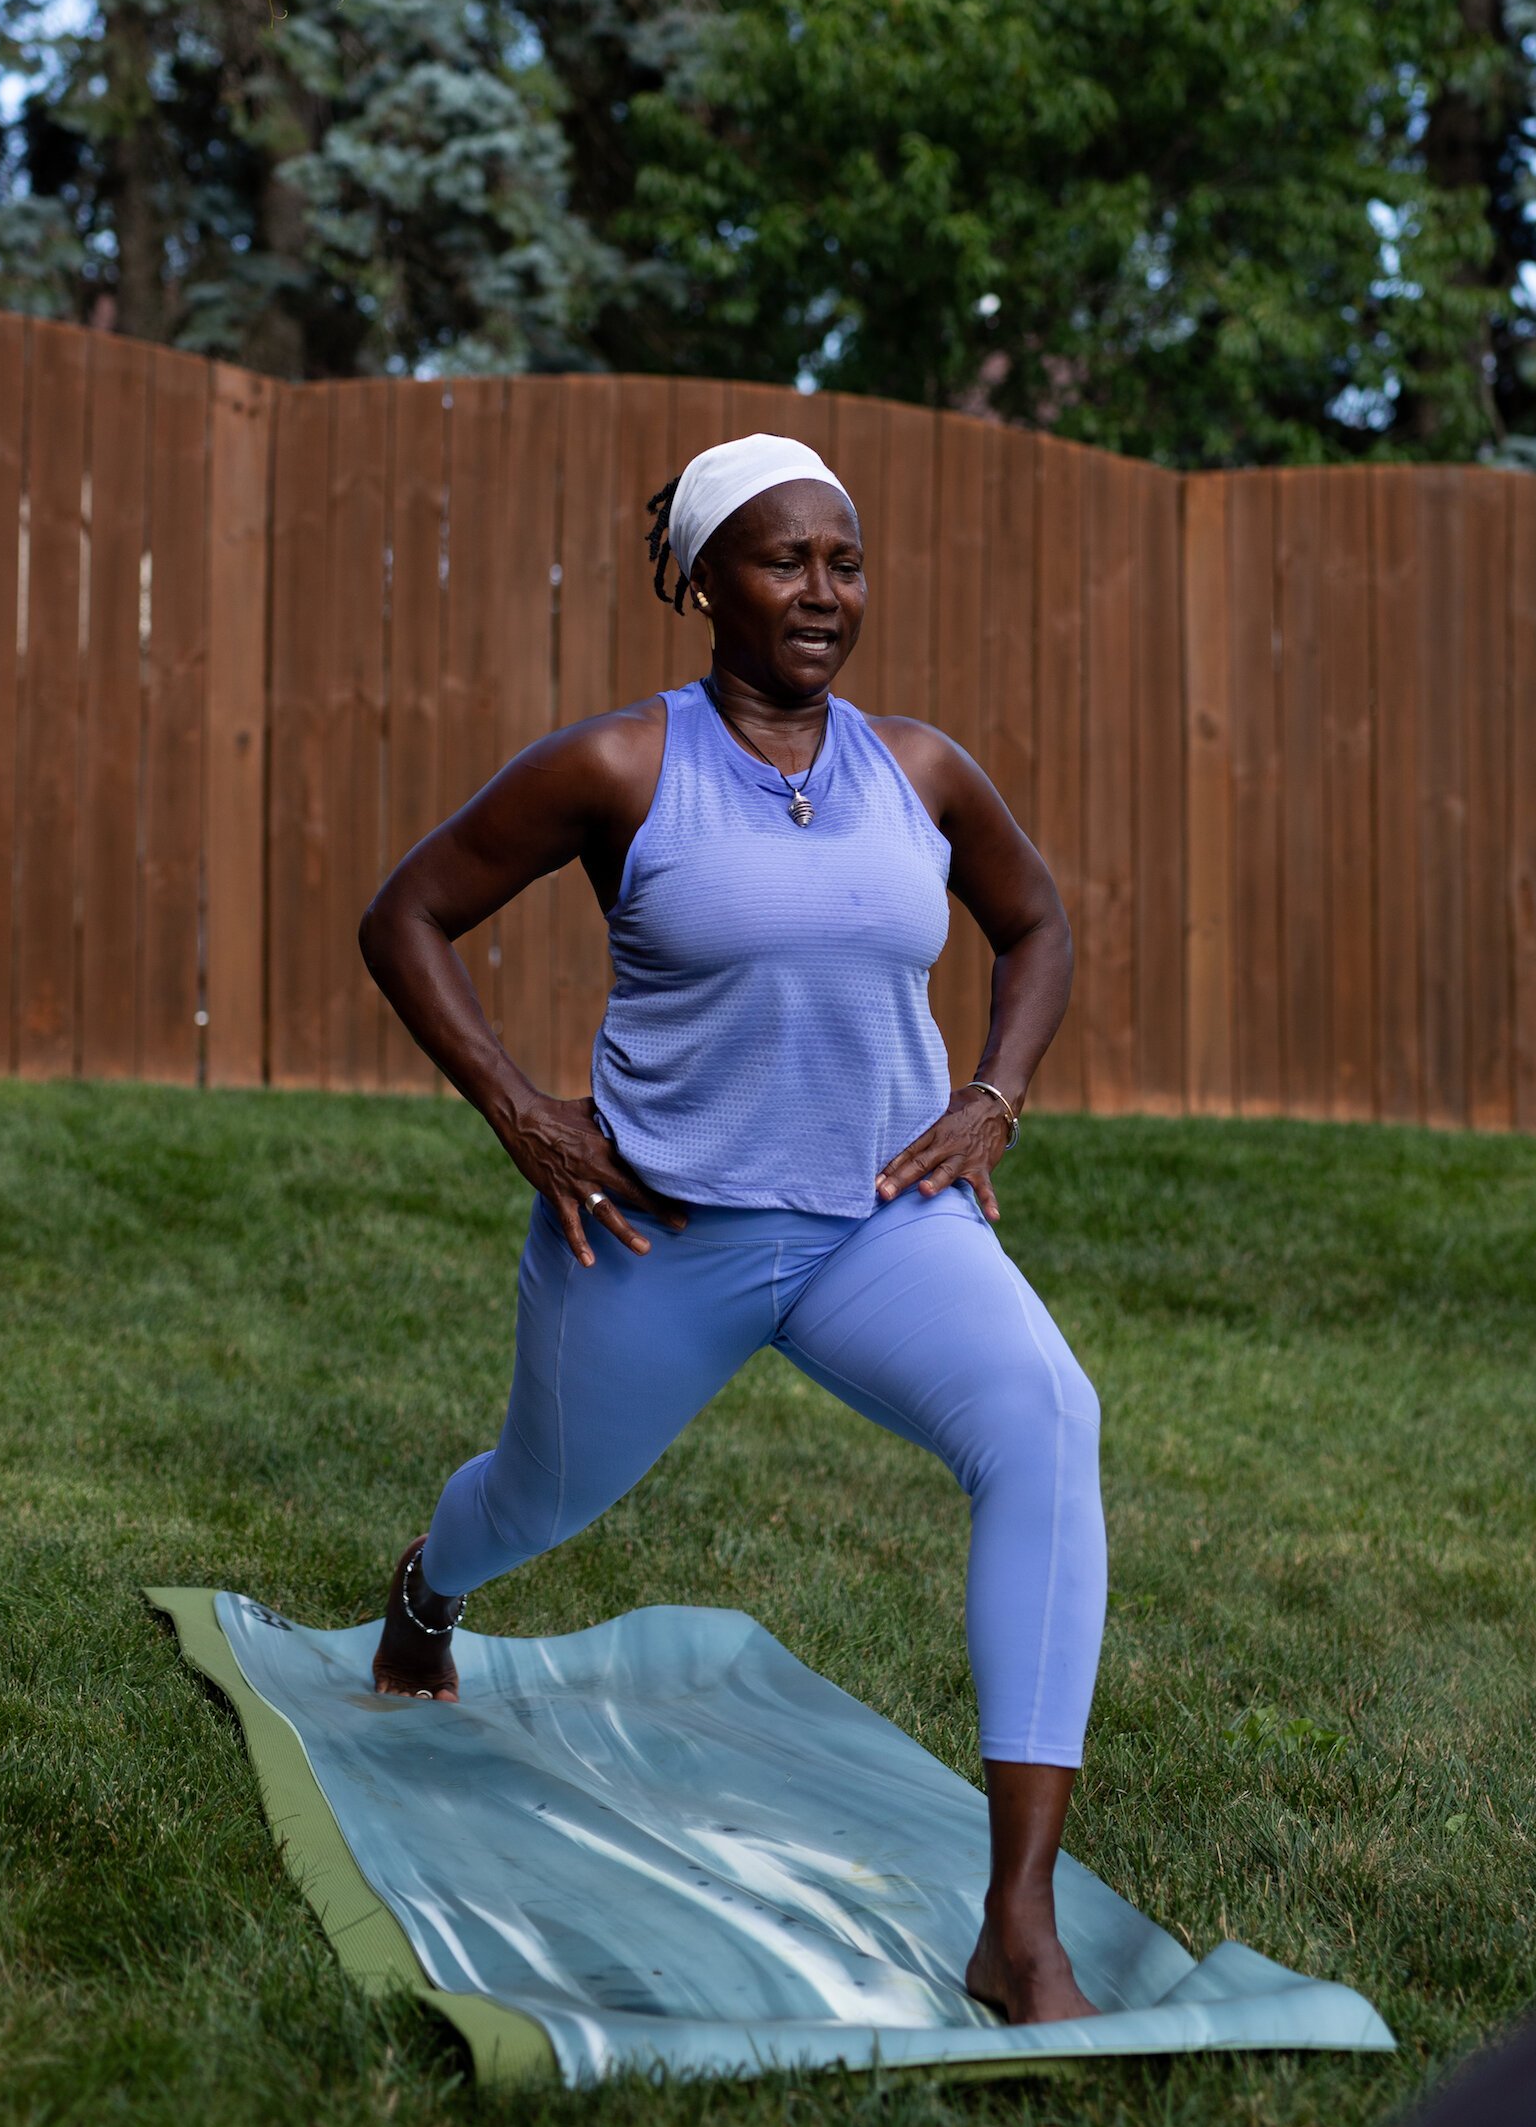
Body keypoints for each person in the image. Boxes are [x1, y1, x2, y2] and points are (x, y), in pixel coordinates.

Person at [357, 432, 1107, 2025]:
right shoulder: (620, 766)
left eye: (844, 559)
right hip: (657, 1235)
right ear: (702, 582)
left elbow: (1034, 921)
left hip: (879, 1227)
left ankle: (1019, 1920)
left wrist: (994, 1094)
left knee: (1049, 1420)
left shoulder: (922, 771)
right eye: (785, 560)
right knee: (539, 1507)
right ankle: (431, 1586)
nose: (823, 592)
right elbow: (406, 912)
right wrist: (519, 1109)